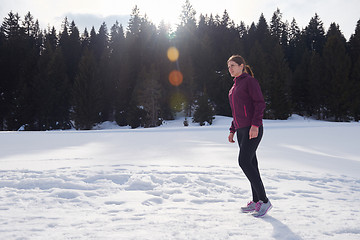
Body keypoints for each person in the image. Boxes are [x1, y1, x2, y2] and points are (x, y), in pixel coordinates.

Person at [227, 55, 272, 218]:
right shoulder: (233, 88)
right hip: (241, 130)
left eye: (233, 65)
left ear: (241, 66)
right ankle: (256, 201)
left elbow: (260, 103)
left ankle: (265, 201)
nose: (230, 69)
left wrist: (255, 125)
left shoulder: (249, 82)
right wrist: (232, 130)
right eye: (228, 66)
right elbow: (235, 112)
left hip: (253, 128)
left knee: (244, 161)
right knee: (252, 164)